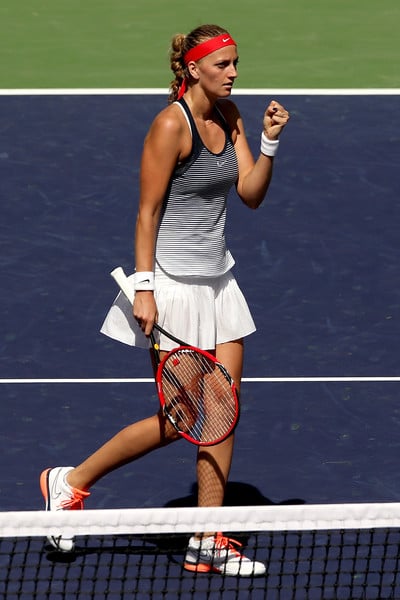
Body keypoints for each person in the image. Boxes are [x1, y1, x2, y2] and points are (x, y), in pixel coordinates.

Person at [40, 23, 289, 577]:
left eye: (236, 62)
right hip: (171, 286)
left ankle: (207, 535)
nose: (234, 73)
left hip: (220, 284)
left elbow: (250, 194)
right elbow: (146, 212)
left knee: (223, 412)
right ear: (193, 69)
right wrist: (145, 288)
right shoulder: (169, 126)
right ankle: (71, 481)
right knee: (180, 421)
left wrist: (269, 141)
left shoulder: (231, 116)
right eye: (223, 64)